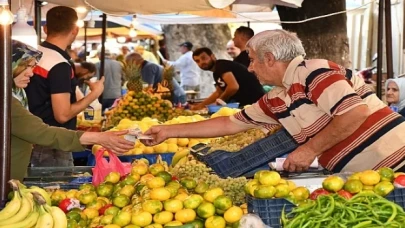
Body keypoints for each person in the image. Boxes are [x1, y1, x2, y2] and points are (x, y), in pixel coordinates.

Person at [142, 30, 405, 174]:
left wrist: (308, 150)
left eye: (253, 60)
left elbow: (353, 114)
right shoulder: (278, 96)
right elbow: (229, 124)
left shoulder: (315, 71)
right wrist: (167, 131)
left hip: (396, 163)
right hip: (366, 177)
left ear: (270, 58)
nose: (251, 68)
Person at [11, 39, 134, 181]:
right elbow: (43, 131)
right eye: (25, 66)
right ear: (10, 65)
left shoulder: (17, 95)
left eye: (32, 67)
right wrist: (99, 138)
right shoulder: (6, 102)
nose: (30, 73)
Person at [25, 6, 105, 168]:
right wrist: (93, 94)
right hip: (52, 145)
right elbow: (62, 115)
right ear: (75, 30)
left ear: (45, 28)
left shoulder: (31, 54)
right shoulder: (59, 65)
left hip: (30, 138)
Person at [190, 47, 264, 110]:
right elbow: (218, 93)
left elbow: (233, 87)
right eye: (197, 61)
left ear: (212, 56)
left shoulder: (221, 65)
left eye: (204, 58)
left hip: (256, 103)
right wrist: (199, 107)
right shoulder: (216, 72)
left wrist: (219, 101)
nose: (201, 62)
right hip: (248, 104)